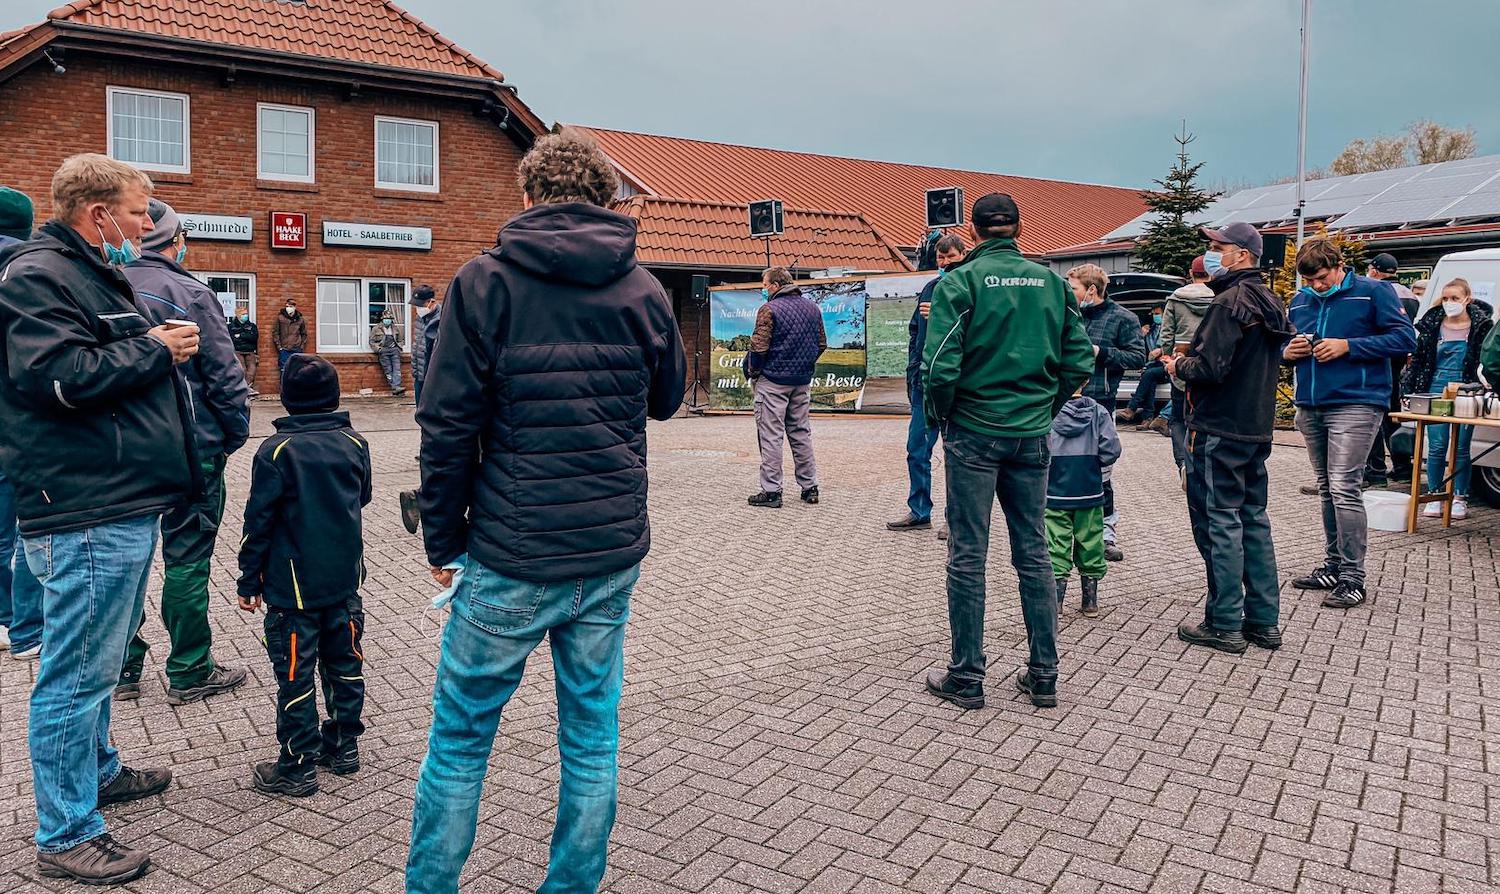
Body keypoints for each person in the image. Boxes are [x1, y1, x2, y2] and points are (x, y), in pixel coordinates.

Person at [406, 130, 685, 894]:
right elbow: (665, 401)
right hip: (608, 552)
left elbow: (447, 424)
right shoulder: (645, 288)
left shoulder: (483, 282)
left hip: (510, 553)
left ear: (527, 197)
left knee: (461, 741)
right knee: (592, 740)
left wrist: (443, 536)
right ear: (606, 199)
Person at [0, 153, 200, 884]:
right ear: (99, 215)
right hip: (83, 508)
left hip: (115, 499)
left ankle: (101, 769)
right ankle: (66, 834)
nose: (149, 226)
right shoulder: (38, 276)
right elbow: (57, 378)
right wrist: (152, 348)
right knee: (76, 675)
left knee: (97, 662)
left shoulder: (87, 269)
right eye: (142, 211)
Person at [922, 192, 1095, 711]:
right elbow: (1079, 359)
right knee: (1034, 550)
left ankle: (967, 676)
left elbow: (938, 368)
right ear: (1020, 227)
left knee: (968, 553)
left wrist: (943, 416)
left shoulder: (960, 283)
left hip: (974, 431)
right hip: (1031, 432)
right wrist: (1047, 406)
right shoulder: (1052, 283)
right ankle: (1044, 675)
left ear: (972, 232)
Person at [116, 199, 251, 705]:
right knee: (187, 557)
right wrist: (230, 436)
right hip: (191, 451)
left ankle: (124, 668)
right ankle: (190, 667)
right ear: (174, 241)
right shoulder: (191, 292)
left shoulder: (105, 286)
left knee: (125, 558)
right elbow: (225, 378)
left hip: (124, 452)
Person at [237, 354, 372, 796]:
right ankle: (344, 744)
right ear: (334, 397)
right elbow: (363, 497)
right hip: (344, 582)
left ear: (288, 400)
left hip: (292, 591)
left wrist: (247, 577)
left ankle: (297, 766)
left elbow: (258, 521)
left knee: (296, 673)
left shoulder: (276, 451)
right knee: (345, 663)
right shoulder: (355, 443)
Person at [1161, 223, 1294, 653]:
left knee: (1220, 522)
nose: (1211, 253)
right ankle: (1263, 620)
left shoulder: (1229, 303)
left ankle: (1223, 622)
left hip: (1217, 427)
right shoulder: (1270, 301)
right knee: (1253, 520)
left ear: (1240, 254)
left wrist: (1178, 367)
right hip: (1255, 427)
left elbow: (1210, 368)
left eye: (1218, 247)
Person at [1285, 238, 1416, 609]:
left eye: (1322, 278)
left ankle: (1353, 577)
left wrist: (1348, 346)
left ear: (1339, 265)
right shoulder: (1301, 300)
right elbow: (1286, 342)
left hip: (1357, 401)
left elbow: (1405, 339)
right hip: (1311, 402)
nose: (1317, 286)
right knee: (1328, 487)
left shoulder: (1374, 292)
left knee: (1344, 487)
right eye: (1310, 281)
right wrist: (1288, 352)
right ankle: (1333, 565)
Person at [888, 234, 965, 531]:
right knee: (917, 450)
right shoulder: (930, 287)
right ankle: (919, 510)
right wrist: (913, 370)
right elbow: (913, 332)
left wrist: (942, 315)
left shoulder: (969, 288)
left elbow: (976, 332)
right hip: (924, 383)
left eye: (950, 258)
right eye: (940, 259)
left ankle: (954, 518)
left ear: (964, 254)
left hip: (957, 384)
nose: (945, 263)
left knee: (956, 454)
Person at [1067, 263, 1144, 562]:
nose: (1068, 293)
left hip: (1099, 404)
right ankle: (1062, 530)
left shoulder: (1123, 318)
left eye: (1073, 288)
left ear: (1091, 291)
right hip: (1062, 403)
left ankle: (1107, 534)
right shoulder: (1067, 316)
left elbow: (1137, 356)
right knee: (1059, 468)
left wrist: (1102, 352)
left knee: (1101, 473)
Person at [1402, 278, 1493, 520]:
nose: (1449, 303)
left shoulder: (1481, 327)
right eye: (1445, 298)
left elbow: (1485, 361)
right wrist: (1409, 390)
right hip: (1435, 389)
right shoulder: (1432, 325)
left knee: (1461, 447)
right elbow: (1418, 361)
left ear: (1467, 299)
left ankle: (1460, 497)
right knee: (1437, 446)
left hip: (1467, 391)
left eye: (1454, 298)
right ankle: (1434, 494)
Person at [0, 184, 44, 661]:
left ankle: (7, 618)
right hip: (26, 427)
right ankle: (29, 631)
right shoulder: (29, 273)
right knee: (35, 526)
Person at [746, 266, 826, 508]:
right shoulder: (813, 308)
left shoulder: (769, 309)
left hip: (772, 381)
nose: (763, 288)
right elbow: (821, 343)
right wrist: (804, 365)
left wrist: (753, 372)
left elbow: (758, 347)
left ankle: (771, 491)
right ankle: (810, 487)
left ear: (775, 286)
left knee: (771, 436)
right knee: (801, 434)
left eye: (764, 284)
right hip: (801, 381)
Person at [1045, 389, 1121, 619]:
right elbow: (1111, 450)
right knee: (1091, 542)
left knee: (1056, 544)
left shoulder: (1048, 410)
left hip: (1054, 493)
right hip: (1089, 491)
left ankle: (1056, 601)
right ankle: (1090, 601)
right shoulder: (1099, 411)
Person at [1363, 253, 1422, 486]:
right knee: (1394, 413)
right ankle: (1402, 466)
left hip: (1378, 357)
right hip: (1400, 358)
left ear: (1375, 271)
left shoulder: (1374, 291)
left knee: (1374, 414)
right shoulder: (1411, 296)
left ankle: (1375, 469)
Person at [1158, 256, 1216, 472]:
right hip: (1207, 362)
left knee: (1178, 417)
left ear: (1191, 274)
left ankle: (1182, 462)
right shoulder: (1218, 297)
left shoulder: (1175, 298)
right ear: (1211, 274)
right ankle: (1202, 462)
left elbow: (1166, 333)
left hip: (1180, 362)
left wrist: (1167, 357)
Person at [410, 283, 441, 406]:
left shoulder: (441, 319)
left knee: (431, 411)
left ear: (431, 302)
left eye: (420, 304)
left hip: (433, 378)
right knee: (420, 410)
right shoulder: (420, 318)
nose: (417, 308)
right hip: (419, 375)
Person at [369, 311, 406, 396]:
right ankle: (395, 388)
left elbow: (400, 340)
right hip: (383, 351)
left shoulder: (395, 328)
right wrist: (378, 349)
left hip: (394, 350)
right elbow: (371, 341)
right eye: (386, 319)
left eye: (389, 319)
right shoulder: (376, 329)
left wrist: (399, 347)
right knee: (388, 370)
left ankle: (397, 387)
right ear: (382, 319)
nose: (387, 320)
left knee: (397, 369)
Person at [227, 308, 260, 396]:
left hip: (250, 350)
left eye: (246, 313)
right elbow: (232, 339)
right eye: (243, 314)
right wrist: (246, 337)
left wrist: (240, 335)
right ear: (238, 315)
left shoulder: (252, 326)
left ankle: (247, 387)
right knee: (242, 370)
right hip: (237, 350)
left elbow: (254, 337)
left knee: (252, 370)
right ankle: (243, 389)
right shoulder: (231, 326)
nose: (245, 316)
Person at [273, 296, 307, 375]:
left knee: (297, 371)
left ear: (294, 307)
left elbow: (304, 334)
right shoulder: (280, 318)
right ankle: (284, 387)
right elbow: (275, 333)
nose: (288, 308)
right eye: (287, 306)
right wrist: (279, 347)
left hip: (297, 349)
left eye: (290, 306)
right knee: (283, 371)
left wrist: (301, 346)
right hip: (284, 349)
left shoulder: (300, 319)